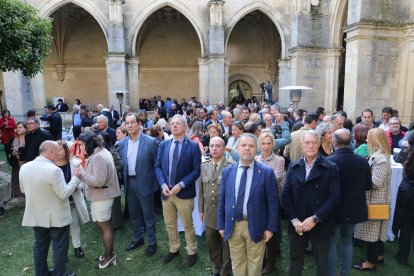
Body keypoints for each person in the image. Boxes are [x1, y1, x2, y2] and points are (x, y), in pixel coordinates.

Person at [217, 133, 278, 276]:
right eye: (243, 145)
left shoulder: (266, 172)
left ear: (256, 149)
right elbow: (222, 200)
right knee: (237, 261)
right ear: (237, 148)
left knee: (255, 263)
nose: (247, 149)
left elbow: (273, 204)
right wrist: (221, 224)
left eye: (251, 146)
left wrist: (270, 228)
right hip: (233, 225)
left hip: (256, 224)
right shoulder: (228, 172)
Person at [282, 130, 341, 276]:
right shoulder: (294, 166)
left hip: (321, 222)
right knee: (295, 261)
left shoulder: (331, 167)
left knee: (322, 264)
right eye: (307, 143)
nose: (310, 146)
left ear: (319, 144)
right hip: (298, 224)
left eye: (314, 143)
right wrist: (294, 220)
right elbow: (285, 196)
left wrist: (315, 218)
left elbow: (335, 198)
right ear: (301, 145)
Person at [19, 141, 80, 276]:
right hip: (57, 216)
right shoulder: (54, 170)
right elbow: (64, 193)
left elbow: (24, 190)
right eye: (58, 150)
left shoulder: (25, 167)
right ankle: (60, 274)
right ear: (51, 152)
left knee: (40, 246)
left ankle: (40, 273)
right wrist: (75, 179)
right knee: (59, 247)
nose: (59, 153)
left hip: (37, 214)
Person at [155, 114, 201, 267]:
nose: (174, 126)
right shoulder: (164, 145)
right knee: (170, 224)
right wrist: (163, 185)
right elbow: (158, 167)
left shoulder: (193, 146)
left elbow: (196, 171)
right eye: (172, 123)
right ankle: (174, 249)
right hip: (166, 193)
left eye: (178, 123)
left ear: (186, 127)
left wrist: (181, 185)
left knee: (188, 225)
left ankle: (192, 251)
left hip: (184, 193)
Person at [327, 129, 372, 276]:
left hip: (334, 210)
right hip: (353, 209)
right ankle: (344, 273)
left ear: (334, 142)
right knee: (347, 242)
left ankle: (332, 273)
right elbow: (367, 186)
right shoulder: (362, 162)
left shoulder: (329, 162)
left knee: (332, 243)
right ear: (351, 141)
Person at [74, 132, 121, 269]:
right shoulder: (100, 152)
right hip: (102, 195)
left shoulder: (99, 156)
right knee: (106, 225)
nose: (80, 148)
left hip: (102, 196)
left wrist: (81, 174)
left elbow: (99, 181)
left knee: (105, 226)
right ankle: (108, 253)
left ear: (88, 143)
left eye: (82, 144)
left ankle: (109, 256)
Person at [118, 113, 159, 256]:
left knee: (149, 215)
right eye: (127, 123)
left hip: (145, 183)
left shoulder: (151, 142)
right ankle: (138, 238)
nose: (129, 125)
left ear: (139, 124)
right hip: (129, 183)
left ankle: (152, 243)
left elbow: (157, 165)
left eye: (132, 122)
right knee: (134, 214)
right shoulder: (122, 143)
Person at [353, 128, 391, 271]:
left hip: (376, 202)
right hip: (377, 201)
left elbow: (376, 183)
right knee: (377, 231)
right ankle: (378, 256)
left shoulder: (380, 158)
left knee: (372, 233)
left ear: (375, 139)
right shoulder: (378, 156)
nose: (367, 139)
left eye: (369, 137)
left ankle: (370, 262)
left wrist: (359, 179)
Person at [199, 137, 233, 276]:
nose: (214, 148)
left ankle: (225, 271)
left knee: (226, 245)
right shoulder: (204, 166)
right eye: (211, 145)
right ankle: (216, 268)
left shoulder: (231, 166)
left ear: (224, 148)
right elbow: (201, 190)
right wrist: (201, 210)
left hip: (225, 213)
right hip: (209, 212)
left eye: (218, 146)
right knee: (212, 244)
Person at [255, 131, 285, 274]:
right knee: (259, 230)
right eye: (263, 143)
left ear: (273, 144)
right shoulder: (255, 159)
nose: (266, 146)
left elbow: (275, 178)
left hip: (273, 201)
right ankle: (262, 259)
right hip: (257, 203)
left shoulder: (279, 160)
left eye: (269, 143)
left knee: (272, 230)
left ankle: (271, 261)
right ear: (259, 145)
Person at [55, 140, 90, 258]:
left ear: (66, 150)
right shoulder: (50, 165)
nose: (58, 152)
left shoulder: (75, 163)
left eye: (60, 149)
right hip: (57, 202)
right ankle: (62, 253)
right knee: (60, 228)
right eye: (55, 149)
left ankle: (77, 247)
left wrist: (78, 187)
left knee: (74, 224)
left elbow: (84, 180)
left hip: (72, 199)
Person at [97, 132, 124, 231]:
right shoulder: (99, 150)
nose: (98, 141)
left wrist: (110, 172)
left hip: (112, 180)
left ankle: (117, 224)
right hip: (105, 181)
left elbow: (120, 164)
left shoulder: (111, 150)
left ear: (105, 140)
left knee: (115, 203)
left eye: (100, 139)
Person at [392, 143, 414, 265]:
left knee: (406, 226)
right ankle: (402, 256)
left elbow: (397, 158)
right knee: (406, 225)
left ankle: (402, 256)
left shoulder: (409, 150)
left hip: (407, 191)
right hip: (408, 190)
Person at [8, 122, 26, 198]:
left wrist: (18, 150)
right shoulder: (13, 138)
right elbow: (8, 148)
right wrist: (12, 152)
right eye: (17, 127)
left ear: (25, 129)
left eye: (20, 127)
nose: (18, 129)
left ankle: (26, 193)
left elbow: (28, 150)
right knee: (16, 178)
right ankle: (17, 194)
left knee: (25, 178)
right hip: (15, 162)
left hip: (25, 162)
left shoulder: (29, 138)